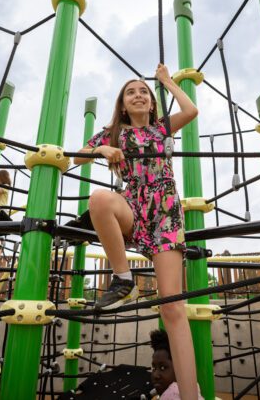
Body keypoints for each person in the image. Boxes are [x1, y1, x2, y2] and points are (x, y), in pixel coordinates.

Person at [74, 63, 199, 399]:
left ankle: (190, 395)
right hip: (133, 208)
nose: (138, 95)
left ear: (151, 102)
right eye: (131, 92)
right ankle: (123, 277)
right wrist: (102, 149)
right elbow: (78, 158)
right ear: (123, 105)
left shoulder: (161, 129)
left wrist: (166, 81)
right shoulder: (113, 133)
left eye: (143, 91)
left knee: (172, 308)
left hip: (165, 215)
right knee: (100, 199)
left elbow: (191, 109)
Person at [150, 329, 203, 399]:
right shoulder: (192, 389)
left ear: (180, 368)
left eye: (163, 368)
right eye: (154, 368)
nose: (155, 375)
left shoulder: (172, 394)